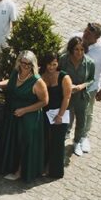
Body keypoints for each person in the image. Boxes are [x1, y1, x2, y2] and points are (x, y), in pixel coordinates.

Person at [0, 50, 47, 182]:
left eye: (28, 64)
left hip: (27, 118)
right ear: (19, 62)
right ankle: (7, 166)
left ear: (33, 65)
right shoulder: (16, 73)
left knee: (23, 144)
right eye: (23, 63)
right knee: (11, 142)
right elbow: (10, 82)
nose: (25, 66)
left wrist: (25, 110)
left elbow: (44, 101)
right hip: (11, 114)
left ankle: (20, 171)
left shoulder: (37, 81)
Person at [59, 35, 96, 158]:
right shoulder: (63, 60)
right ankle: (62, 139)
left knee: (81, 120)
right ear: (71, 49)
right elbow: (57, 73)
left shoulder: (89, 63)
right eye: (76, 49)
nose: (79, 52)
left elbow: (91, 79)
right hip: (65, 95)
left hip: (81, 96)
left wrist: (81, 86)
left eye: (82, 50)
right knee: (64, 118)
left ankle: (77, 142)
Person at [82, 21, 101, 155]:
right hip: (71, 84)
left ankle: (83, 136)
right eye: (86, 31)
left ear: (97, 37)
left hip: (91, 87)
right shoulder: (76, 39)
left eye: (89, 34)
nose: (85, 34)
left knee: (87, 113)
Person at [40, 50, 72, 179]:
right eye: (49, 64)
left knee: (57, 144)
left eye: (54, 64)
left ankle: (55, 172)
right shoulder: (42, 75)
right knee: (45, 142)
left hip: (59, 114)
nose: (51, 67)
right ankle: (43, 167)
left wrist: (60, 115)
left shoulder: (64, 77)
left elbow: (67, 97)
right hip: (45, 113)